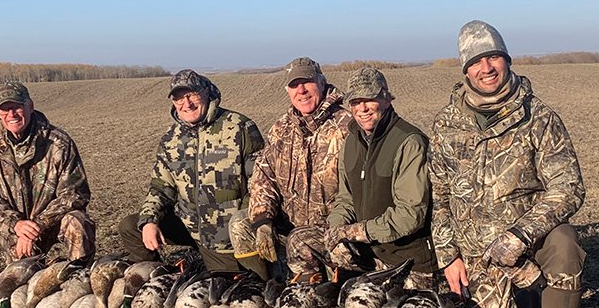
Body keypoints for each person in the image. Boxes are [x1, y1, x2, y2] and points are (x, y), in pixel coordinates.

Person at [429, 20, 586, 308]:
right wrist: (448, 255)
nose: (487, 68)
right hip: (472, 251)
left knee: (565, 243)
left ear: (507, 60)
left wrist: (521, 234)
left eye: (494, 57)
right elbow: (438, 196)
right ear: (465, 69)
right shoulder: (447, 124)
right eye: (477, 61)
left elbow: (569, 187)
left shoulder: (539, 118)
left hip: (526, 241)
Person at [299, 66, 438, 287]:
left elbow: (410, 215)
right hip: (368, 253)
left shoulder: (409, 142)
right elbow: (346, 199)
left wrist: (355, 232)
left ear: (386, 98)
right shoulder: (351, 142)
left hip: (405, 261)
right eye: (355, 102)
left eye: (369, 99)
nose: (362, 108)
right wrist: (336, 230)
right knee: (301, 240)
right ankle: (310, 292)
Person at [119, 69, 266, 276]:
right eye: (179, 98)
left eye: (192, 95)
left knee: (228, 290)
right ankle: (157, 275)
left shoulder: (239, 127)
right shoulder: (171, 139)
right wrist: (150, 220)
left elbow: (260, 183)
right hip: (188, 224)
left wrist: (240, 225)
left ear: (206, 92)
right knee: (131, 226)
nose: (186, 103)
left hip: (224, 236)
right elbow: (161, 187)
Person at [229, 57, 354, 281]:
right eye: (294, 85)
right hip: (290, 228)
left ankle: (317, 286)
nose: (301, 91)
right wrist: (263, 220)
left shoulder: (347, 126)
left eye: (307, 82)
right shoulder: (281, 129)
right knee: (240, 224)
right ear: (288, 90)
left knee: (305, 252)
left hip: (331, 232)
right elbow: (263, 178)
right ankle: (262, 288)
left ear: (322, 83)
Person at [0, 82, 95, 264]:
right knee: (19, 284)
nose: (11, 114)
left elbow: (75, 193)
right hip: (16, 231)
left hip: (53, 223)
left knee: (77, 222)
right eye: (5, 109)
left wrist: (38, 225)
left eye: (17, 107)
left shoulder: (58, 143)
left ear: (30, 106)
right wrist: (16, 225)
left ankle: (80, 275)